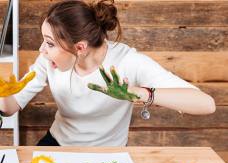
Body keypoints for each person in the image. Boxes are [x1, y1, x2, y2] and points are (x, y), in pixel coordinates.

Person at [0, 0, 216, 146]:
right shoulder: (48, 58)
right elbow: (10, 108)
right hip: (58, 144)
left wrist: (137, 93)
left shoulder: (128, 61)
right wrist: (2, 93)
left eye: (49, 43)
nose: (41, 50)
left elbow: (206, 104)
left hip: (108, 153)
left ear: (80, 47)